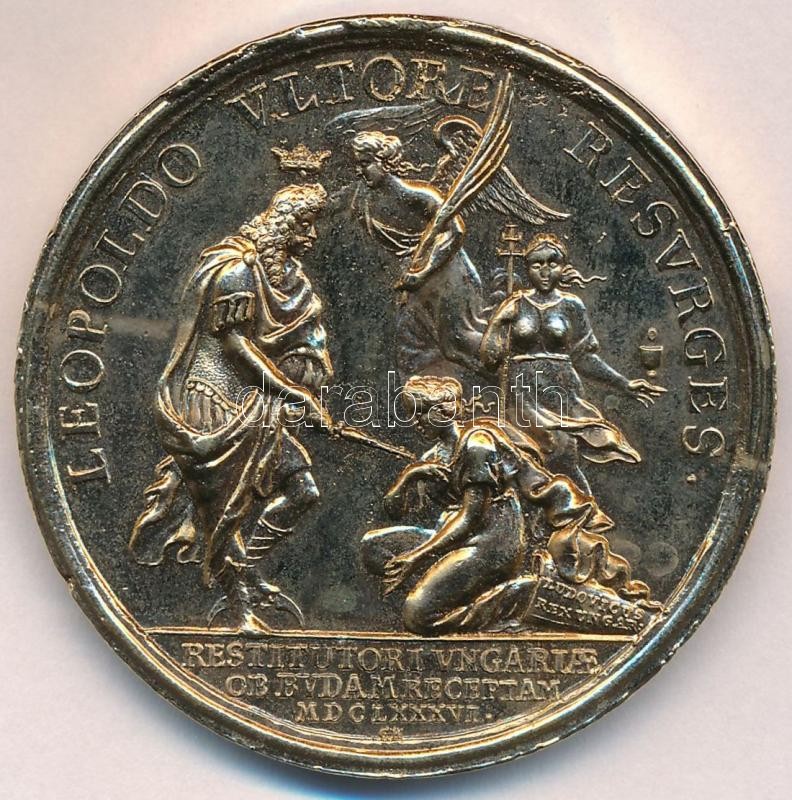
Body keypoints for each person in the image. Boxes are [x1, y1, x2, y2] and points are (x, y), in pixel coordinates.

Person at [129, 184, 333, 630]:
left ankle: (246, 570)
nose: (312, 236)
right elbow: (236, 348)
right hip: (211, 404)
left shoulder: (280, 275)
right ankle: (239, 607)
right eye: (305, 225)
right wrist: (292, 393)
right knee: (221, 512)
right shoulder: (237, 271)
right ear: (285, 227)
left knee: (302, 490)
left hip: (249, 404)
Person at [361, 375, 652, 635]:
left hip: (492, 543)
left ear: (440, 413)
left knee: (417, 616)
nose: (414, 422)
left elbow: (471, 519)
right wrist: (410, 477)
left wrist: (416, 557)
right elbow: (394, 510)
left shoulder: (477, 446)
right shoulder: (435, 454)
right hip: (452, 537)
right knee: (373, 547)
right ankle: (450, 581)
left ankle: (517, 597)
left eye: (418, 414)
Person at [480, 233, 665, 492]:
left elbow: (584, 358)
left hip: (563, 394)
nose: (545, 271)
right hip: (523, 394)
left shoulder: (572, 305)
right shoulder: (515, 305)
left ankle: (583, 509)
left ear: (563, 266)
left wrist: (623, 384)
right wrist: (499, 320)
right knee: (528, 457)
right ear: (527, 267)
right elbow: (489, 360)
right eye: (537, 264)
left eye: (552, 263)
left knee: (565, 456)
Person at [349, 131, 486, 383]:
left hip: (446, 276)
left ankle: (512, 376)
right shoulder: (364, 202)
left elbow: (456, 231)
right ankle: (422, 400)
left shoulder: (420, 196)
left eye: (365, 163)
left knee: (456, 344)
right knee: (411, 347)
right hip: (412, 280)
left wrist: (424, 272)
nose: (359, 171)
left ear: (384, 162)